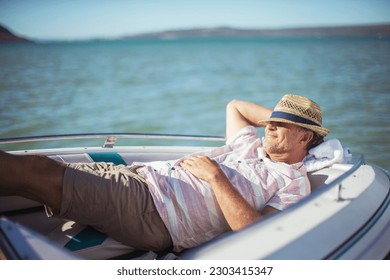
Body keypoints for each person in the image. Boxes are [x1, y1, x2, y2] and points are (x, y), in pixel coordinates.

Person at [0, 94, 329, 253]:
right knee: (38, 173)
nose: (270, 125)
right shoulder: (252, 146)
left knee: (36, 171)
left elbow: (257, 231)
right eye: (271, 120)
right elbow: (235, 106)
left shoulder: (293, 181)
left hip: (152, 210)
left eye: (285, 124)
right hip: (141, 179)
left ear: (305, 137)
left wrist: (216, 176)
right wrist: (278, 120)